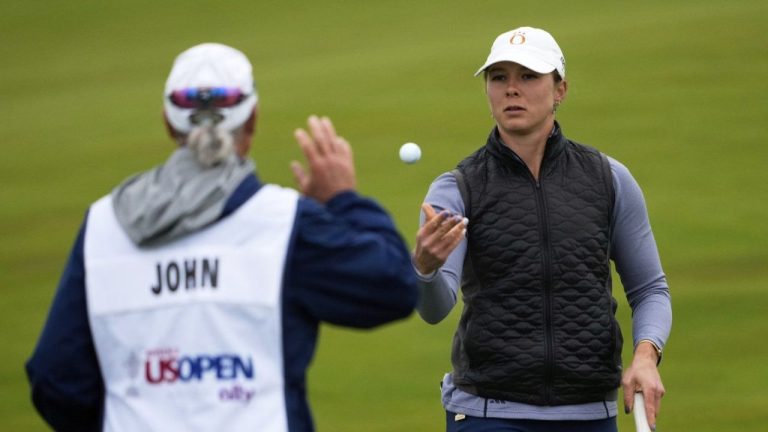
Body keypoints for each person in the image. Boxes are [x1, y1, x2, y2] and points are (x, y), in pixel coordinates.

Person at [26, 43, 417, 432]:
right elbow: (394, 286)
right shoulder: (284, 224)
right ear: (252, 121)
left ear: (167, 122)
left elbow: (54, 378)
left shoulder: (103, 226)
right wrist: (342, 199)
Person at [412, 27, 671, 432]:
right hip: (488, 414)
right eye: (499, 78)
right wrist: (424, 270)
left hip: (589, 415)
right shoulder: (456, 188)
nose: (512, 90)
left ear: (560, 89)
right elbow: (434, 308)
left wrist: (645, 356)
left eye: (528, 76)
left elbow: (650, 289)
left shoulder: (608, 179)